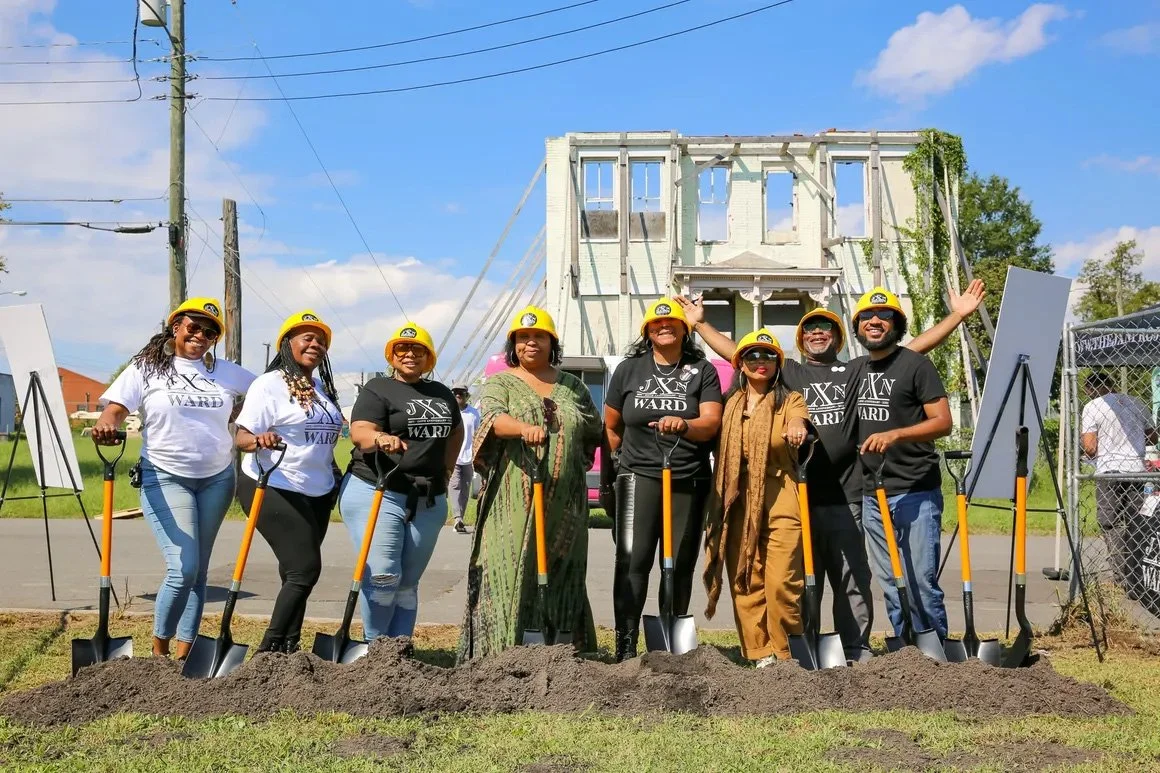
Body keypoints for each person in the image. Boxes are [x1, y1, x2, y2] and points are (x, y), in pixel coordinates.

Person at [676, 278, 984, 661]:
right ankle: (802, 651)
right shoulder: (787, 372)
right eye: (809, 329)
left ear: (838, 337)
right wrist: (701, 324)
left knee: (852, 579)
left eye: (825, 328)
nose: (817, 333)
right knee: (802, 581)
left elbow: (910, 350)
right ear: (801, 341)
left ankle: (853, 647)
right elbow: (741, 354)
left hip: (848, 493)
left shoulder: (856, 371)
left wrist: (956, 316)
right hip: (798, 493)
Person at [93, 297, 255, 659]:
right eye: (193, 327)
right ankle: (159, 654)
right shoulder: (147, 367)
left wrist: (249, 415)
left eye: (210, 331)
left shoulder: (228, 372)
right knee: (183, 567)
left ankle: (185, 656)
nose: (200, 335)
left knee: (198, 573)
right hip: (165, 475)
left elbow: (265, 394)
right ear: (176, 326)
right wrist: (108, 423)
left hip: (216, 478)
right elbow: (116, 408)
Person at [457, 306, 603, 661]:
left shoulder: (573, 387)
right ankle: (499, 654)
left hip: (566, 501)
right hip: (512, 498)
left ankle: (568, 651)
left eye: (539, 336)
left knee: (564, 570)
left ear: (552, 342)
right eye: (523, 338)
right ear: (513, 345)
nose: (531, 343)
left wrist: (566, 456)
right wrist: (524, 429)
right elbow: (491, 418)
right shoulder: (501, 382)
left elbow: (592, 431)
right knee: (506, 568)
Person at [605, 298, 724, 661]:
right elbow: (612, 427)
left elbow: (711, 423)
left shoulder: (701, 370)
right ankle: (625, 645)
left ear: (684, 330)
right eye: (656, 324)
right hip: (637, 476)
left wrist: (684, 425)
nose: (664, 327)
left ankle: (669, 645)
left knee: (678, 561)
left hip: (687, 477)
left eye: (671, 323)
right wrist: (614, 473)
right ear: (647, 331)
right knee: (632, 560)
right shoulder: (629, 370)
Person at [338, 323, 463, 640]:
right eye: (402, 349)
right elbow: (360, 431)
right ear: (391, 355)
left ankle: (400, 652)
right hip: (378, 489)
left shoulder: (442, 393)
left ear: (428, 357)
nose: (409, 354)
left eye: (418, 350)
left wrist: (447, 471)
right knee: (383, 575)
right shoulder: (378, 388)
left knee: (408, 581)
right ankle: (375, 648)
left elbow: (456, 432)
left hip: (428, 498)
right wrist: (380, 437)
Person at [233, 311, 344, 654]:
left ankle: (289, 648)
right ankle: (269, 650)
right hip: (273, 484)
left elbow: (321, 440)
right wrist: (259, 440)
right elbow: (241, 437)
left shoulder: (321, 387)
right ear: (287, 344)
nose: (315, 344)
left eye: (320, 339)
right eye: (306, 338)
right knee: (305, 569)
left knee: (294, 574)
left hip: (318, 490)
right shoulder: (269, 385)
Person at [702, 329, 811, 666]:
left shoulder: (790, 399)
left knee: (781, 582)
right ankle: (759, 652)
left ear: (778, 364)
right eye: (752, 356)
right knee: (745, 575)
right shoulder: (728, 404)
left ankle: (786, 652)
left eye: (767, 356)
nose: (760, 362)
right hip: (736, 496)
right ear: (740, 364)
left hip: (781, 492)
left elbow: (799, 419)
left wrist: (797, 428)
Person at [851, 287, 953, 642]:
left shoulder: (917, 365)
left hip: (915, 490)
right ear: (857, 326)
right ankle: (905, 654)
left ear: (897, 323)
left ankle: (935, 649)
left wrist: (896, 435)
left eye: (884, 316)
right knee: (892, 583)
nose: (874, 321)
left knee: (920, 580)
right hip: (871, 493)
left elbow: (943, 422)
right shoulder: (855, 370)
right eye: (866, 317)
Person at [1082, 370, 1158, 596]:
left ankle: (1122, 575)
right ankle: (1138, 573)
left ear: (1090, 389)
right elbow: (1152, 436)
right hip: (1136, 469)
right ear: (1112, 384)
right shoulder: (1136, 402)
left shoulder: (1093, 406)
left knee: (1110, 522)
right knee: (1137, 522)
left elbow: (1090, 446)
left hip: (1109, 471)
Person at [448, 385, 481, 534]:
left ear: (467, 396)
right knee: (454, 486)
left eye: (461, 393)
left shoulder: (473, 413)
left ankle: (459, 519)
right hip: (453, 456)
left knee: (465, 488)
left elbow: (478, 434)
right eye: (455, 393)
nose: (458, 395)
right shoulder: (449, 412)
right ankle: (457, 518)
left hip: (469, 457)